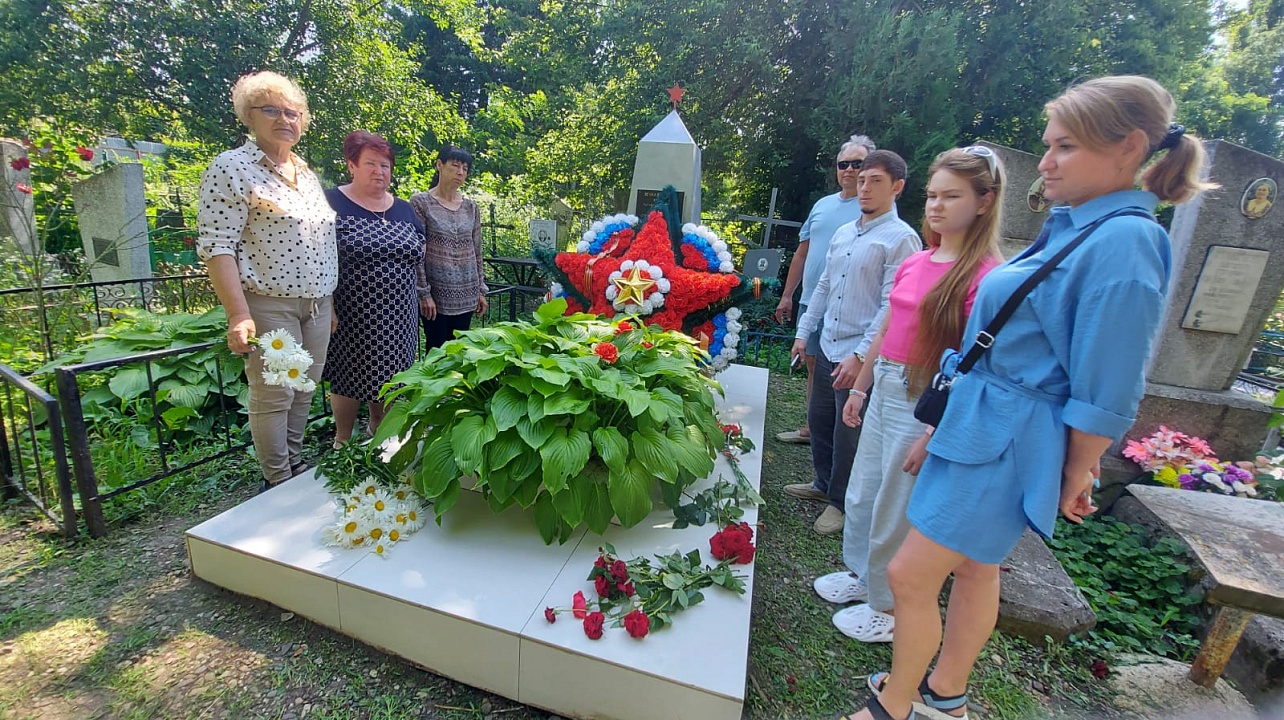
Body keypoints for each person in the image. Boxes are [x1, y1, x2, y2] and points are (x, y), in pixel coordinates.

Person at [844, 76, 1212, 720]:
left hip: (1007, 433)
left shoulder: (1125, 240)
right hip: (986, 420)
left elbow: (1108, 382)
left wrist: (1077, 469)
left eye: (1065, 146)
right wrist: (942, 425)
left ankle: (896, 705)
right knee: (974, 569)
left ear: (1129, 147)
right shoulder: (1079, 226)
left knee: (909, 574)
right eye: (1048, 145)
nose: (1045, 162)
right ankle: (944, 695)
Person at [813, 147, 1005, 646]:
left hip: (922, 395)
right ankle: (861, 575)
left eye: (952, 196)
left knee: (893, 504)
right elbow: (887, 327)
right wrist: (861, 386)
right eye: (933, 195)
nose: (937, 206)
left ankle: (886, 606)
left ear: (985, 201)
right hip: (885, 383)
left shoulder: (984, 276)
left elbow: (974, 364)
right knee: (863, 492)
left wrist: (934, 430)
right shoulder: (919, 259)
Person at [197, 70, 337, 492]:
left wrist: (328, 302)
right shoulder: (232, 167)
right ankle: (278, 480)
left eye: (292, 113)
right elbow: (217, 245)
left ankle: (294, 464)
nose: (284, 120)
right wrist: (238, 314)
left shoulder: (305, 173)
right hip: (269, 302)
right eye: (271, 110)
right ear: (249, 115)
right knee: (276, 393)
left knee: (304, 388)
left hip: (317, 304)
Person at [786, 150, 921, 534]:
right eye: (862, 180)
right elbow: (824, 286)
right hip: (828, 344)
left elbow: (892, 305)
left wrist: (861, 356)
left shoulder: (902, 239)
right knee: (819, 419)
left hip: (860, 355)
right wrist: (803, 332)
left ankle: (841, 503)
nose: (864, 188)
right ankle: (823, 483)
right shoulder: (845, 232)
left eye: (875, 181)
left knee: (849, 433)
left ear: (897, 187)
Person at [323, 132, 424, 447]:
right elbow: (317, 257)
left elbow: (419, 252)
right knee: (348, 373)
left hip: (400, 313)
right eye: (370, 164)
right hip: (352, 310)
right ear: (352, 165)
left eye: (385, 165)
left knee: (393, 372)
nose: (379, 171)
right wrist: (327, 306)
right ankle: (342, 440)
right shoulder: (330, 202)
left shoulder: (404, 209)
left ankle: (381, 432)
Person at [775, 135, 875, 445]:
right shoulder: (822, 205)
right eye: (843, 164)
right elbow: (802, 253)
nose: (849, 170)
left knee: (844, 371)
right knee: (814, 367)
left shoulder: (871, 209)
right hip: (812, 300)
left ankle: (841, 433)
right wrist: (788, 295)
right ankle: (813, 428)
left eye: (857, 164)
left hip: (849, 307)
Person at [409, 145, 488, 351]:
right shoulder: (421, 203)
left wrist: (481, 290)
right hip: (436, 297)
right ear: (439, 165)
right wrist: (424, 293)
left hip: (467, 293)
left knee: (459, 353)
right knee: (437, 353)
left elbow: (477, 251)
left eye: (465, 169)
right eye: (455, 166)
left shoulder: (471, 207)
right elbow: (417, 253)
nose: (460, 172)